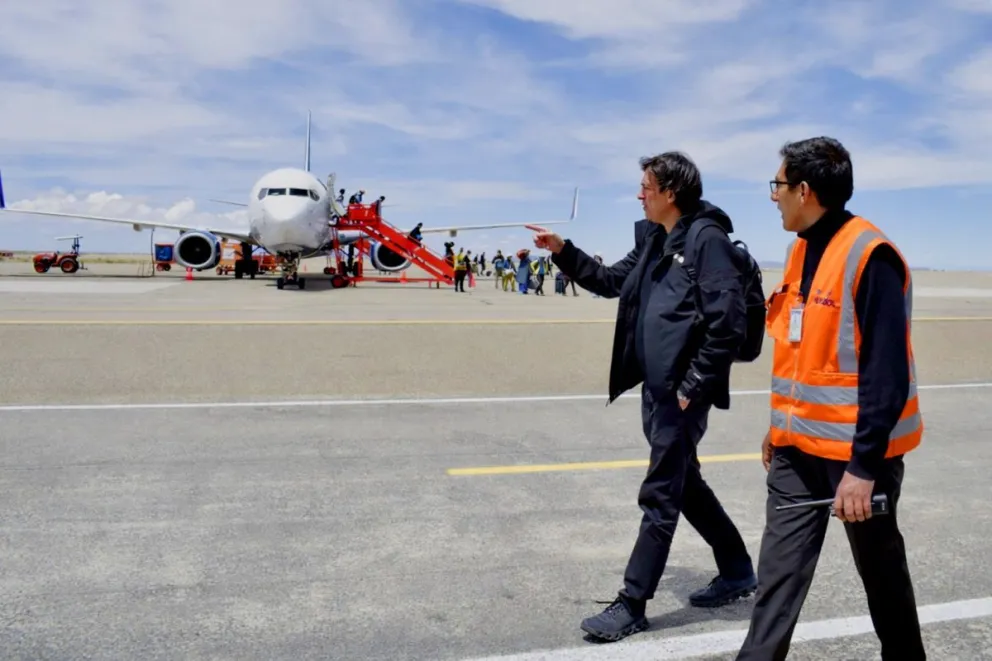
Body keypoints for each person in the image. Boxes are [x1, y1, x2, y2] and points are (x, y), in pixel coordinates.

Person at [532, 152, 757, 643]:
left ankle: (633, 603)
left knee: (660, 494)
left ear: (670, 192)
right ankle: (739, 570)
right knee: (685, 483)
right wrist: (562, 250)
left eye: (645, 186)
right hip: (657, 393)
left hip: (681, 396)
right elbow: (611, 281)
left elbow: (728, 325)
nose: (639, 194)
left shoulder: (706, 241)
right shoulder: (657, 239)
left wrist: (692, 387)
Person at [735, 136, 926, 660]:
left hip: (858, 459)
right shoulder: (799, 250)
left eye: (777, 185)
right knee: (776, 583)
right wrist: (780, 429)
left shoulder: (871, 255)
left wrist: (864, 468)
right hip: (797, 455)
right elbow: (801, 353)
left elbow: (885, 373)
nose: (772, 196)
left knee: (882, 573)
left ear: (804, 189)